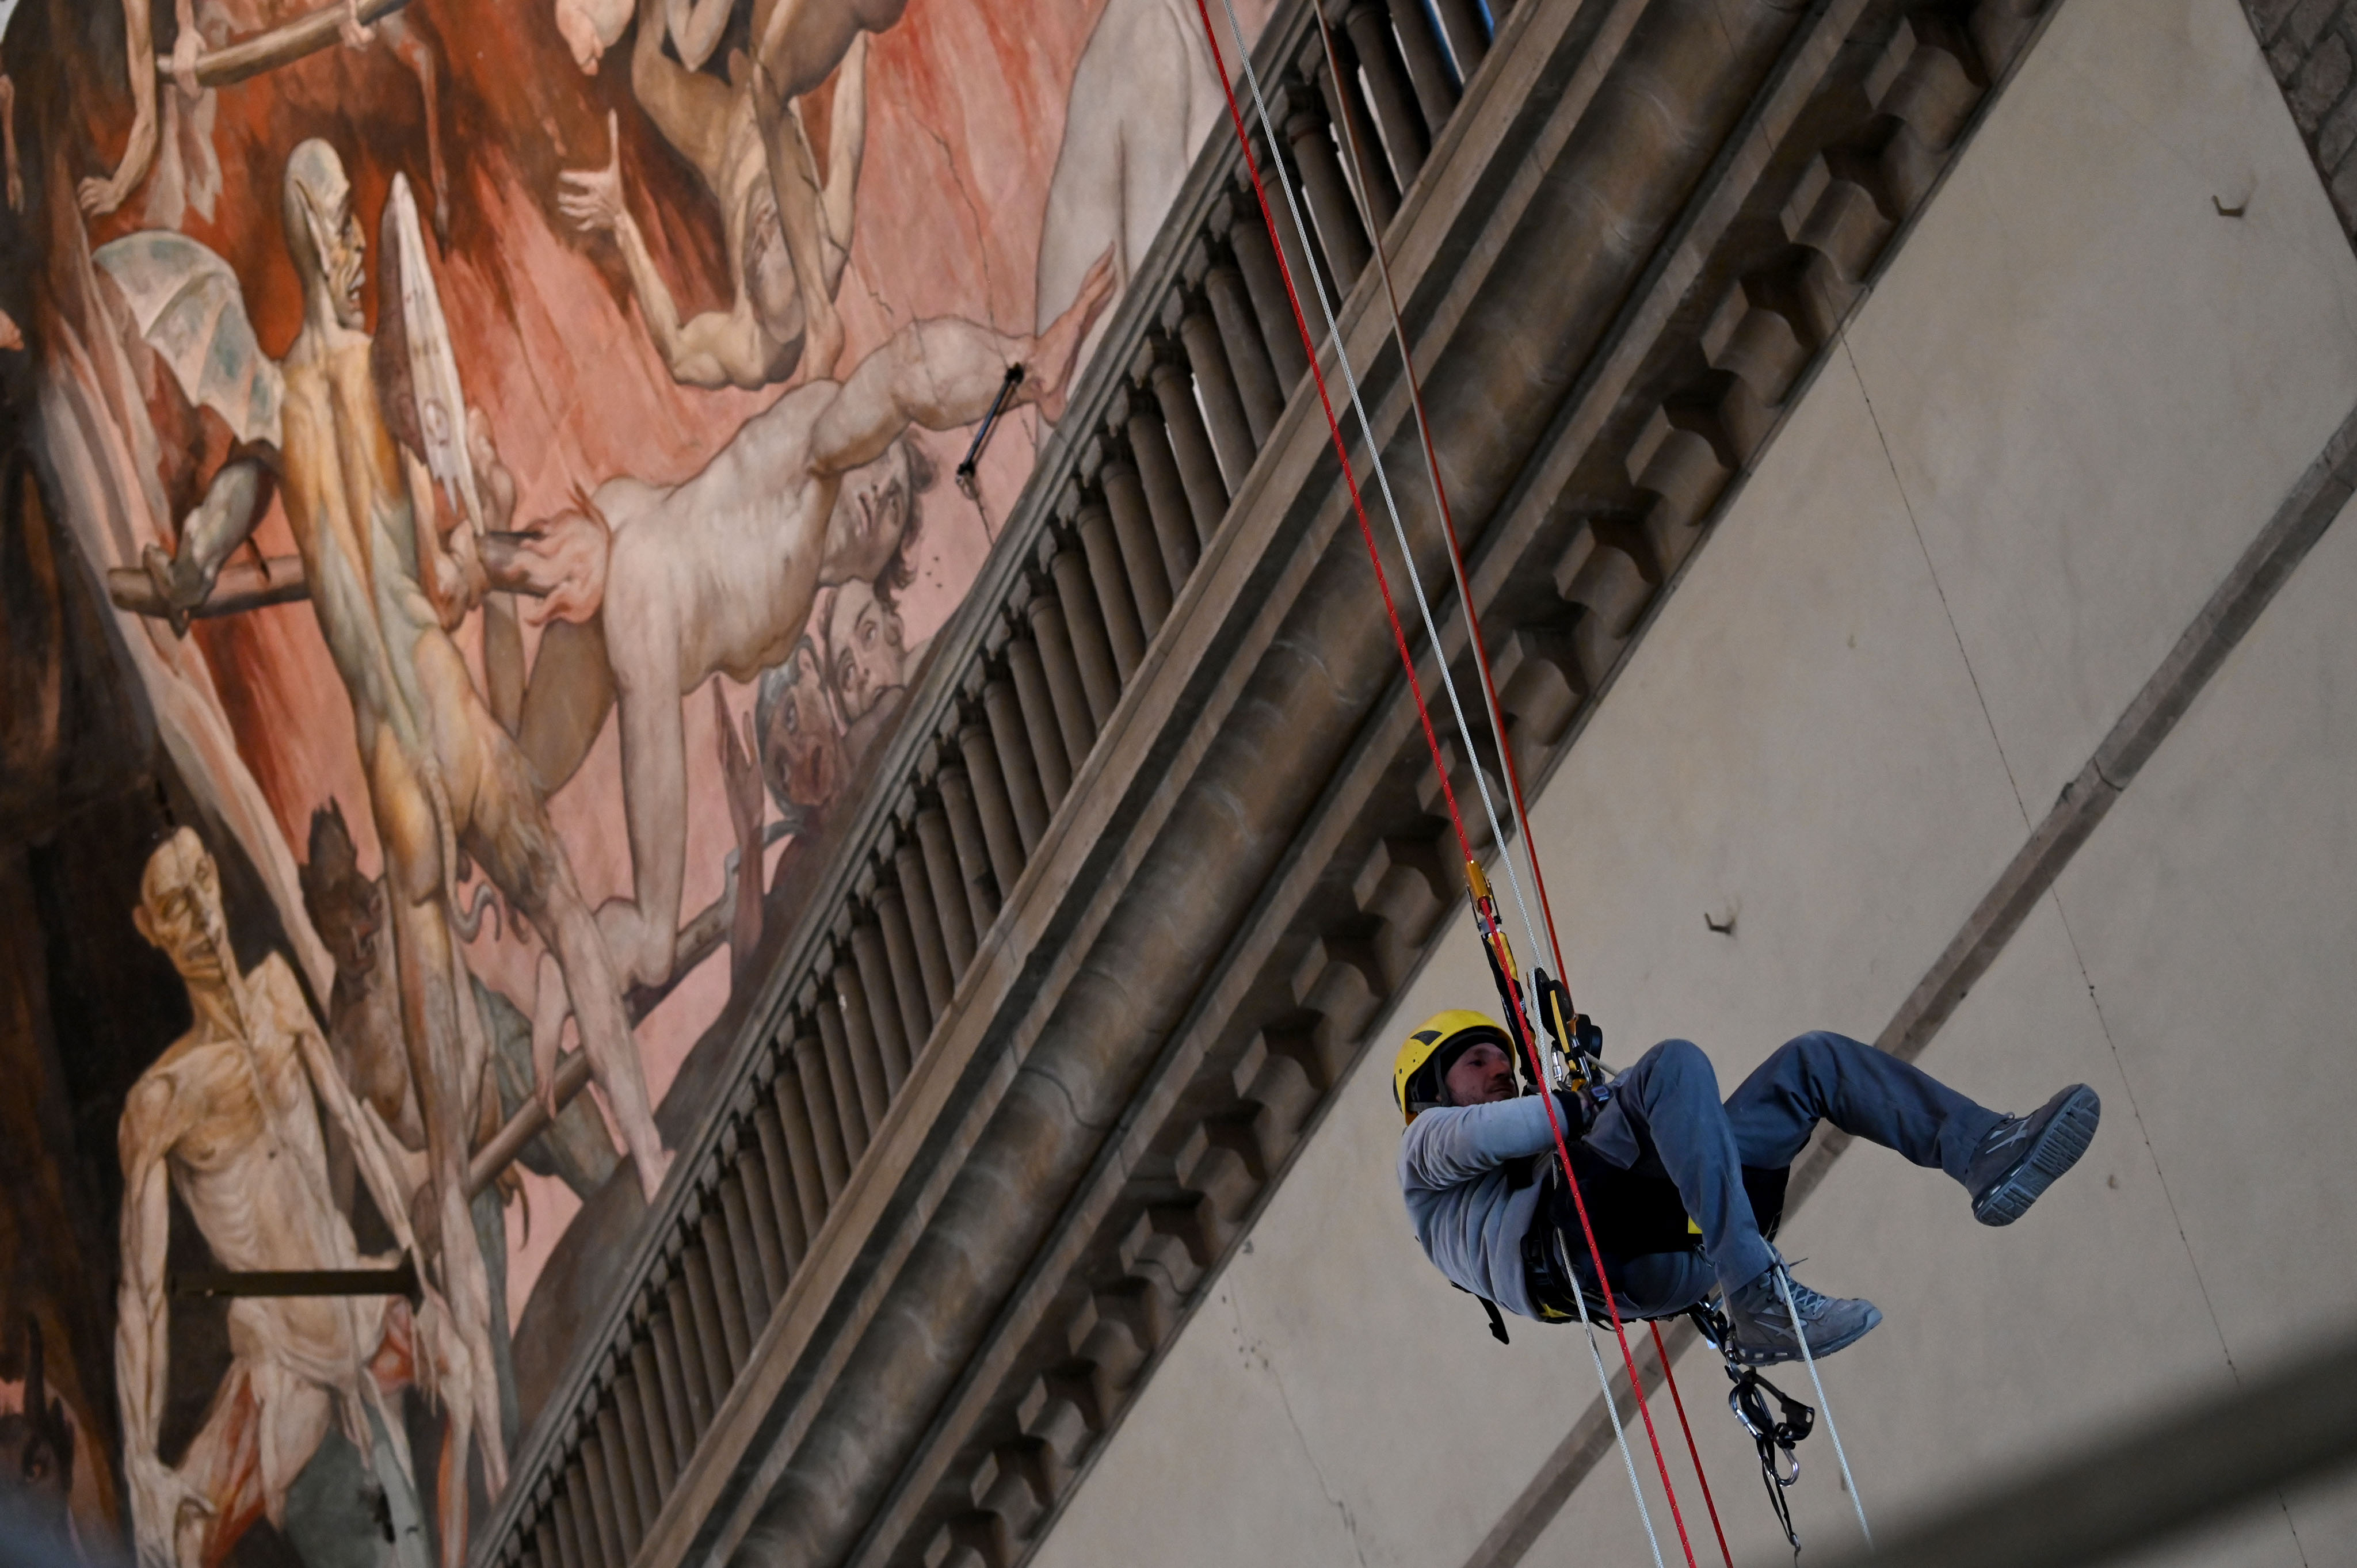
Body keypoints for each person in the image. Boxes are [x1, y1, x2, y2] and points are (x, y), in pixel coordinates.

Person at [502, 250, 1116, 1093]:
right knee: (648, 937)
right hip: (649, 589)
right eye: (884, 473)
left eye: (896, 507)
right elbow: (904, 374)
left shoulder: (803, 597)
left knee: (515, 782)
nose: (879, 499)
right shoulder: (816, 451)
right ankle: (559, 963)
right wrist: (1022, 364)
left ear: (873, 564)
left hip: (637, 553)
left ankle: (478, 573)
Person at [1393, 1009, 2102, 1364]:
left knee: (1811, 1063)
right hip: (1589, 1245)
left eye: (1503, 1060)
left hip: (1673, 1245)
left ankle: (1984, 1151)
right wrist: (1584, 1106)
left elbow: (1592, 1130)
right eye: (1478, 1060)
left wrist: (1595, 1096)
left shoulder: (1537, 1142)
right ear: (1428, 1089)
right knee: (1671, 1066)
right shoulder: (1423, 1151)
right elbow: (1485, 1133)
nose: (1500, 1070)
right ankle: (1758, 1294)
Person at [114, 829, 451, 1568]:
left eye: (203, 882)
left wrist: (418, 1245)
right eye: (176, 905)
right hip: (287, 1371)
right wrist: (141, 1458)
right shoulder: (163, 1098)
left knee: (477, 1384)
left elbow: (358, 1135)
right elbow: (143, 1296)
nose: (203, 916)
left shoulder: (276, 991)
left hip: (362, 1308)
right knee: (177, 1546)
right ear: (153, 931)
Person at [556, 0, 873, 389]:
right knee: (712, 44)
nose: (762, 220)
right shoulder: (829, 244)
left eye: (754, 247)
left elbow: (677, 351)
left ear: (752, 306)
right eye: (778, 227)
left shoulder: (750, 353)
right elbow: (847, 136)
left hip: (718, 146)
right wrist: (858, 33)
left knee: (646, 76)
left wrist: (622, 223)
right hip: (765, 81)